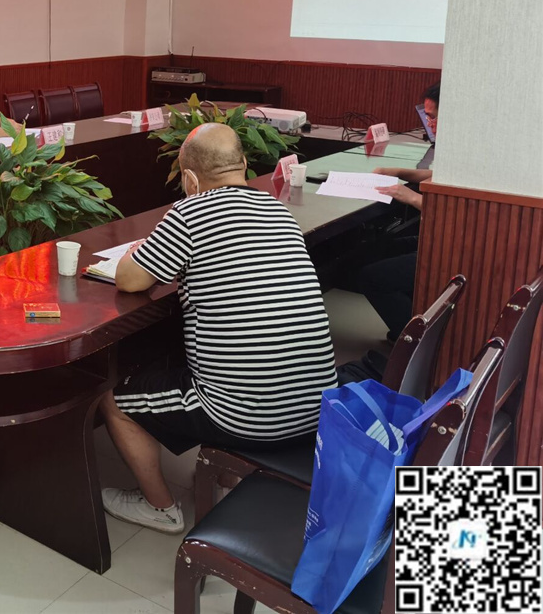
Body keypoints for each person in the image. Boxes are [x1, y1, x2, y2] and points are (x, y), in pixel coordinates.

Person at [99, 123, 337, 533]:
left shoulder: (189, 213)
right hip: (317, 404)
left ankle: (159, 508)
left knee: (114, 402)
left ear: (189, 179)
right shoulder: (278, 211)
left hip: (248, 416)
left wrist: (138, 251)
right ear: (243, 163)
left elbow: (129, 280)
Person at [355, 82, 441, 337]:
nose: (429, 124)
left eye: (433, 117)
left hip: (448, 250)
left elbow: (454, 211)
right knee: (375, 248)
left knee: (372, 278)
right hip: (435, 238)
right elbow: (434, 175)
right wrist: (396, 172)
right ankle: (409, 321)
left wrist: (411, 197)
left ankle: (416, 342)